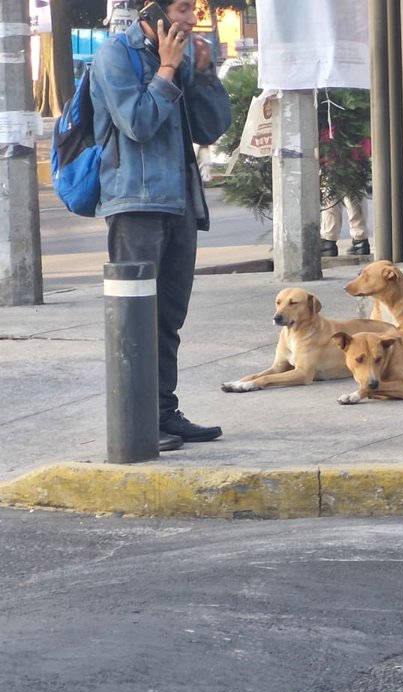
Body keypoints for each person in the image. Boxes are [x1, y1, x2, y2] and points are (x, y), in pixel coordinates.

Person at [91, 0, 232, 451]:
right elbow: (136, 123)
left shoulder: (182, 57)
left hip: (179, 205)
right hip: (134, 204)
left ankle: (164, 412)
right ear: (153, 15)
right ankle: (138, 419)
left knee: (169, 318)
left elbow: (211, 129)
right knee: (136, 317)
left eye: (195, 11)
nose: (193, 20)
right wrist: (168, 71)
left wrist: (204, 74)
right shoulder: (116, 55)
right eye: (183, 10)